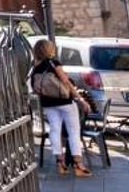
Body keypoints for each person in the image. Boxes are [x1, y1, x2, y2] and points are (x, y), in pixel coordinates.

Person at [31, 37, 91, 176]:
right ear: (48, 49)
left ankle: (60, 163)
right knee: (73, 132)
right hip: (65, 102)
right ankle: (78, 165)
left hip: (48, 103)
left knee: (55, 130)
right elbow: (65, 81)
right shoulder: (53, 63)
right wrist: (80, 99)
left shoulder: (35, 67)